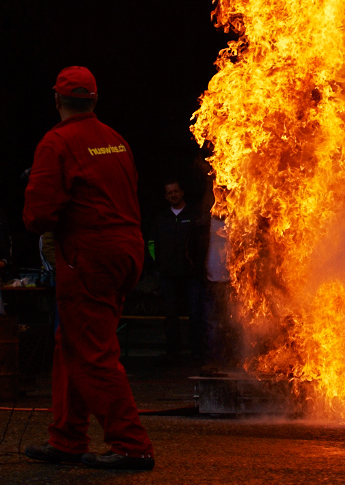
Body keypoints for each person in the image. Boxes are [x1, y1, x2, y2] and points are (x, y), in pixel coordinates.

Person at [22, 66, 154, 470]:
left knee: (93, 352)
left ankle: (132, 445)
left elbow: (37, 216)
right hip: (127, 251)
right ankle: (66, 437)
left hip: (89, 257)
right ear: (95, 99)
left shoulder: (57, 141)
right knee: (72, 345)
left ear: (56, 99)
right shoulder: (116, 140)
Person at [148, 180, 209, 362]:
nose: (173, 195)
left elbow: (203, 244)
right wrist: (158, 266)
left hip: (191, 275)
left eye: (176, 191)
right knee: (171, 316)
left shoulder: (194, 216)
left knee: (195, 314)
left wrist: (198, 267)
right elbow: (152, 243)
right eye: (170, 193)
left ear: (182, 192)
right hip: (168, 276)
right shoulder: (162, 218)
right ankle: (173, 352)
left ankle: (196, 352)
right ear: (166, 197)